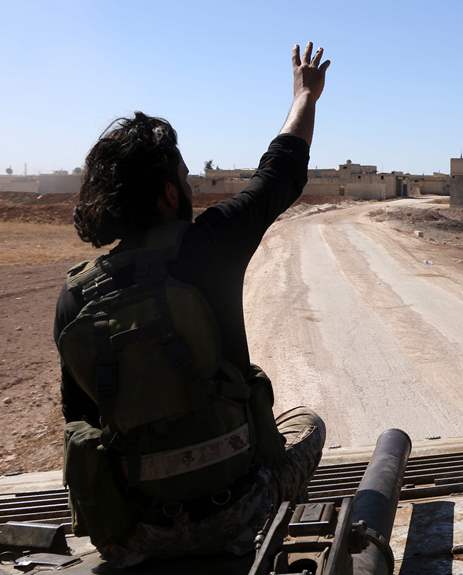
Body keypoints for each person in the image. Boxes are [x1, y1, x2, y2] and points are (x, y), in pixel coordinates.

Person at [53, 42, 331, 567]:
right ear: (165, 194)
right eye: (183, 176)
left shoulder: (77, 295)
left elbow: (80, 418)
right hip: (234, 509)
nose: (189, 185)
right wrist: (304, 96)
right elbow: (281, 171)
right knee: (310, 424)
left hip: (133, 533)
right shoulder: (210, 245)